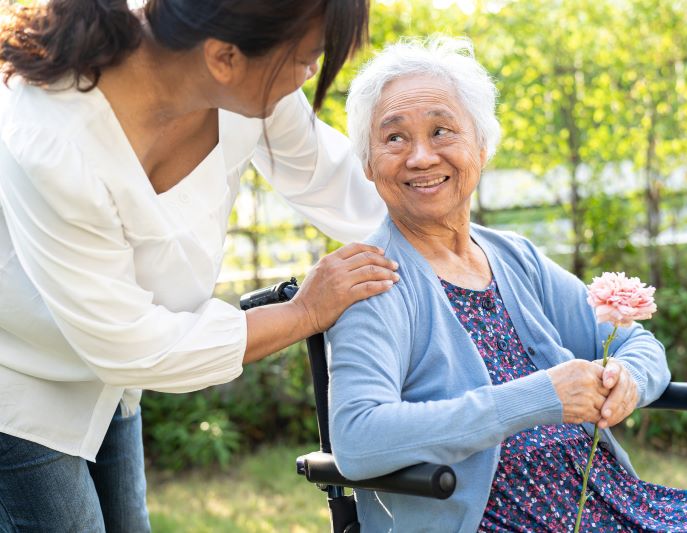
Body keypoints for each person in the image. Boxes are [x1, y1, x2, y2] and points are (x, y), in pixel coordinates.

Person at [326, 37, 687, 532]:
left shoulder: (514, 257)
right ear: (368, 163)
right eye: (395, 138)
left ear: (482, 147)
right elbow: (359, 440)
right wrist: (540, 397)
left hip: (611, 504)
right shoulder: (373, 281)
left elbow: (637, 342)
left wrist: (629, 380)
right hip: (497, 520)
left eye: (442, 131)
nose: (421, 157)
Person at [0, 0, 401, 531]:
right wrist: (305, 312)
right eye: (307, 60)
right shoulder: (51, 140)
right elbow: (133, 345)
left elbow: (333, 179)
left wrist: (462, 245)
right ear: (224, 58)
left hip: (111, 380)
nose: (308, 76)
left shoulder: (241, 69)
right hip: (19, 381)